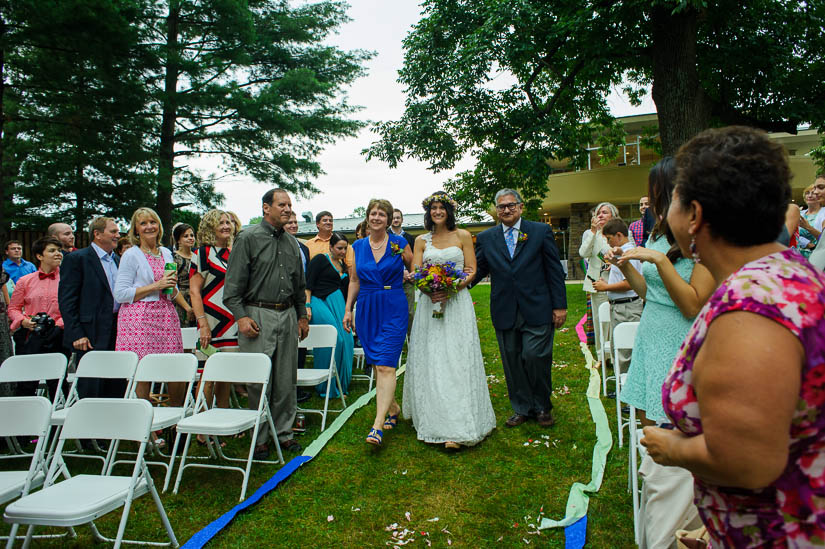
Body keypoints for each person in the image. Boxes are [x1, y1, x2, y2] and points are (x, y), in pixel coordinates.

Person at [641, 126, 825, 547]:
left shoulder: (748, 311)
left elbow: (748, 462)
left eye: (672, 199)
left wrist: (672, 449)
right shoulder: (789, 272)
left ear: (695, 215)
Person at [403, 192, 495, 449]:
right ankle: (433, 418)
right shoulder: (422, 240)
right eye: (433, 208)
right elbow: (418, 271)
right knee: (433, 357)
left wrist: (452, 286)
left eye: (441, 207)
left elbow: (472, 269)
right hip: (430, 304)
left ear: (449, 211)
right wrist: (429, 289)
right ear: (428, 212)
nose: (437, 211)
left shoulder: (463, 236)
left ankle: (459, 424)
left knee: (457, 358)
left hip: (456, 303)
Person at [223, 189, 308, 458]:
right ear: (265, 208)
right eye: (281, 204)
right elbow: (232, 288)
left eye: (290, 205)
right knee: (259, 380)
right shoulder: (248, 238)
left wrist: (302, 315)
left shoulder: (292, 243)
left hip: (288, 315)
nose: (287, 209)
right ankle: (258, 437)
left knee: (286, 379)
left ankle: (283, 433)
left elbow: (299, 285)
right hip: (256, 314)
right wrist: (241, 316)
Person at [473, 188, 567, 427]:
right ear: (496, 210)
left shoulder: (540, 231)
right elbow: (477, 270)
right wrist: (452, 283)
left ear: (521, 207)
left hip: (538, 307)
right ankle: (522, 407)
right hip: (504, 309)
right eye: (501, 206)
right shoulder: (486, 238)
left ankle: (542, 406)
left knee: (535, 356)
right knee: (512, 361)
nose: (506, 210)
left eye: (511, 205)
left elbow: (554, 271)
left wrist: (560, 306)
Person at [343, 198, 413, 446]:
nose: (377, 218)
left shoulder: (399, 243)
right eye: (373, 213)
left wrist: (413, 275)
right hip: (367, 306)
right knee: (376, 361)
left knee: (386, 364)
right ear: (367, 217)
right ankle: (393, 407)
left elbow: (415, 267)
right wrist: (348, 309)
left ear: (388, 219)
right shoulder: (358, 246)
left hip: (393, 303)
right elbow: (354, 280)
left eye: (382, 214)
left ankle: (377, 425)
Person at [113, 207, 184, 405]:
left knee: (174, 367)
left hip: (166, 315)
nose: (149, 226)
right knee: (143, 370)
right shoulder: (131, 255)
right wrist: (156, 285)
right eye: (143, 223)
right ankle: (147, 431)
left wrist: (187, 305)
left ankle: (174, 420)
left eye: (152, 222)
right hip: (139, 319)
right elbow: (120, 294)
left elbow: (170, 288)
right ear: (136, 229)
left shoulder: (166, 253)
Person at [58, 216, 123, 398]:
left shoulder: (118, 260)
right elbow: (67, 300)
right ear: (97, 234)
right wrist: (76, 333)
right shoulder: (77, 259)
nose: (118, 235)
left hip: (116, 328)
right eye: (113, 232)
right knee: (92, 384)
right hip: (90, 331)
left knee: (115, 381)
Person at [190, 209, 237, 413]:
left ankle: (223, 413)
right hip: (211, 320)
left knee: (227, 372)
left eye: (228, 222)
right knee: (208, 374)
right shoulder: (202, 253)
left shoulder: (233, 252)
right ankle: (201, 422)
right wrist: (203, 324)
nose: (227, 226)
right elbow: (194, 291)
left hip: (232, 320)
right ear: (211, 228)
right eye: (221, 223)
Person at [8, 237, 68, 396]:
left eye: (59, 251)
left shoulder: (68, 280)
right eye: (52, 251)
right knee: (26, 382)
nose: (58, 254)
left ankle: (59, 417)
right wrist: (23, 320)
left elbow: (72, 308)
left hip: (57, 334)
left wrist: (58, 323)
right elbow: (13, 308)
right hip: (31, 334)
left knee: (58, 383)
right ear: (39, 256)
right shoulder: (25, 281)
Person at [305, 231, 354, 398]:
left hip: (339, 304)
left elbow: (348, 292)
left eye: (345, 249)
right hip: (319, 301)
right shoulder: (320, 260)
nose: (342, 251)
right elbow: (308, 284)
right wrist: (308, 305)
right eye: (339, 248)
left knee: (347, 340)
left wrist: (350, 311)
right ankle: (325, 386)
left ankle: (341, 385)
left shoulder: (344, 266)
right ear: (331, 247)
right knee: (334, 339)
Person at [593, 218, 643, 376]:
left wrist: (606, 287)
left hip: (627, 308)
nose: (608, 243)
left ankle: (626, 391)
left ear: (619, 235)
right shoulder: (621, 253)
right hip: (619, 307)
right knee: (619, 349)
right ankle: (621, 387)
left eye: (609, 239)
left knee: (626, 351)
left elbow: (630, 283)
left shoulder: (628, 253)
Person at [578, 202, 619, 357]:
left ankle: (616, 351)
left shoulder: (621, 232)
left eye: (604, 212)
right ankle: (602, 355)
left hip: (616, 282)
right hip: (598, 282)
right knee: (599, 318)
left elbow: (629, 252)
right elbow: (583, 253)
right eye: (598, 213)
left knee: (615, 317)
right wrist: (594, 232)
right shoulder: (590, 233)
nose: (600, 215)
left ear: (613, 216)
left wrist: (616, 264)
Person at [284, 211, 312, 405]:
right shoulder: (277, 244)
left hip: (300, 300)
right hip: (284, 300)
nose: (293, 225)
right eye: (290, 222)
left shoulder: (304, 247)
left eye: (296, 222)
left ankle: (298, 385)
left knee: (301, 343)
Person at [390, 208, 417, 334]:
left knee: (409, 311)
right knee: (392, 311)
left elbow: (414, 258)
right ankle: (395, 338)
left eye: (398, 217)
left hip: (408, 279)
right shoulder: (386, 237)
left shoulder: (409, 238)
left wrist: (410, 273)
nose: (395, 220)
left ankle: (411, 339)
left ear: (402, 219)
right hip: (392, 279)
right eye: (393, 217)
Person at [172, 223, 196, 327]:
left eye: (192, 235)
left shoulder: (197, 256)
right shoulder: (172, 258)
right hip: (180, 301)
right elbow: (170, 287)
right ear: (178, 240)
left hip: (196, 299)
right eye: (186, 236)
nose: (190, 238)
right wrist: (187, 308)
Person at [798, 181, 824, 256]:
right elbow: (791, 234)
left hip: (819, 256)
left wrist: (808, 227)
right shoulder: (799, 213)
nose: (809, 196)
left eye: (813, 193)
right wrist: (807, 243)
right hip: (798, 256)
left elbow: (824, 239)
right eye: (807, 193)